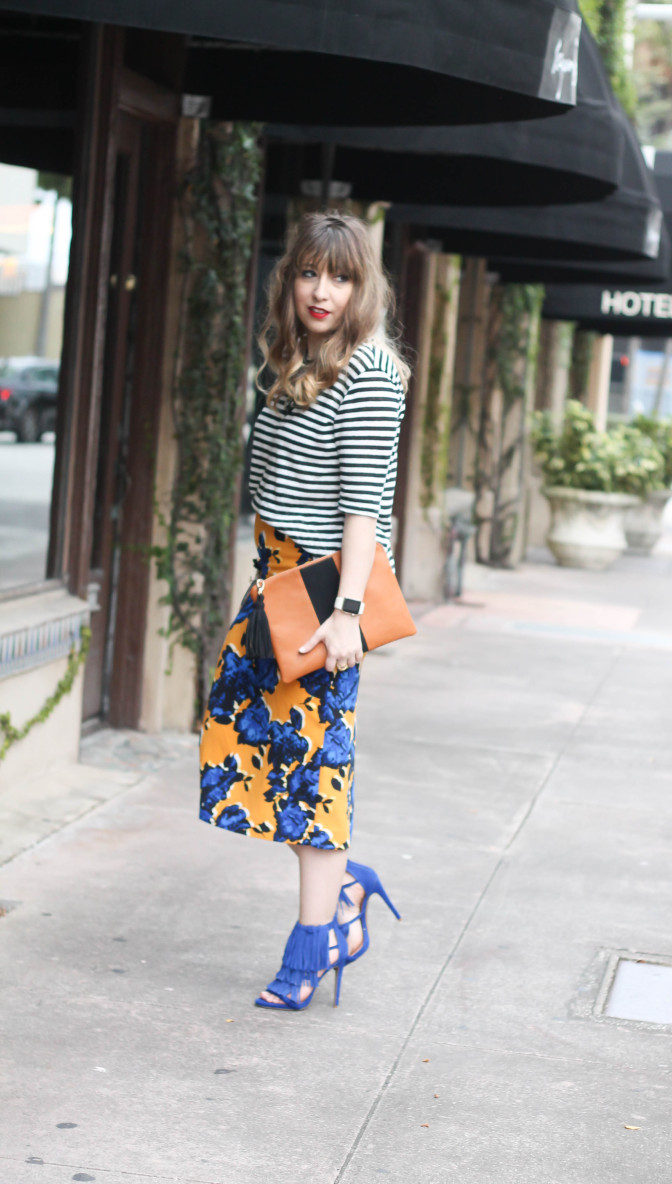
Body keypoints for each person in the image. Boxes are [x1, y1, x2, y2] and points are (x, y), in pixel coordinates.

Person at [199, 211, 409, 1011]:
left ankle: (315, 943)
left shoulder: (369, 371)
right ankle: (346, 886)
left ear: (364, 288)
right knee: (246, 764)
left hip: (324, 599)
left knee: (314, 775)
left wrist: (349, 613)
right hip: (273, 589)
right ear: (289, 278)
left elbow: (365, 507)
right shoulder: (291, 360)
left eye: (342, 276)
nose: (323, 291)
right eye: (309, 273)